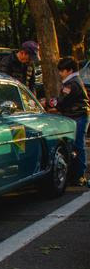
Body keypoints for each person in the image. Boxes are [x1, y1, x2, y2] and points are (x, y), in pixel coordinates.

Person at [53, 56, 90, 186]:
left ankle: (79, 176)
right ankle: (76, 175)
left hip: (78, 117)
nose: (60, 73)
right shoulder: (74, 81)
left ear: (69, 70)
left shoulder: (71, 84)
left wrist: (52, 102)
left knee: (78, 146)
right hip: (78, 116)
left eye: (61, 71)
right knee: (75, 145)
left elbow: (61, 102)